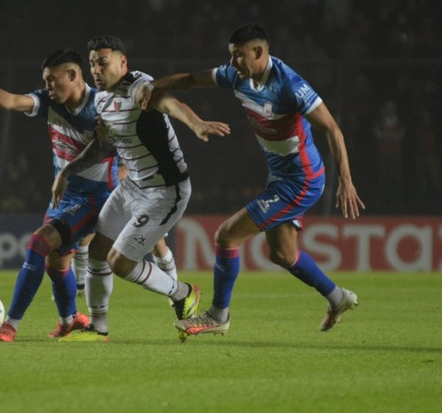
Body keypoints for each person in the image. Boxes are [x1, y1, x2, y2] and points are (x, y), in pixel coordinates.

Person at [147, 24, 365, 339]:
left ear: (259, 52)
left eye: (239, 55)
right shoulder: (236, 75)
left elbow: (332, 128)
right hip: (279, 176)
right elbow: (193, 79)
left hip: (301, 180)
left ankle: (218, 315)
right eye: (231, 55)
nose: (233, 62)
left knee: (226, 237)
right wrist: (153, 85)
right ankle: (337, 297)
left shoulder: (290, 85)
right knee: (283, 254)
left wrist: (346, 180)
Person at [54, 35, 230, 341]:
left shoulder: (139, 87)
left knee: (120, 262)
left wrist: (196, 123)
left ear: (123, 62)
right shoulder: (101, 99)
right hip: (133, 185)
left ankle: (183, 292)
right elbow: (104, 145)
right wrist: (69, 170)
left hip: (165, 191)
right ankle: (98, 327)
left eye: (103, 62)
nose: (96, 69)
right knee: (97, 251)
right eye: (92, 63)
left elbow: (170, 103)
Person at [0, 48, 112, 342]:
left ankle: (10, 324)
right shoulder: (49, 101)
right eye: (45, 81)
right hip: (64, 197)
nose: (48, 86)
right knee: (57, 265)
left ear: (73, 75)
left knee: (39, 242)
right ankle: (69, 320)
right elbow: (12, 101)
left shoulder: (102, 107)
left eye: (52, 80)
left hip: (93, 198)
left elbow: (116, 147)